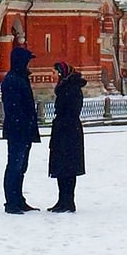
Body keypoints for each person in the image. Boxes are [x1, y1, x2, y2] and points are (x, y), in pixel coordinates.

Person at [0, 45, 42, 214]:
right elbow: (14, 108)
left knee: (21, 166)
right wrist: (23, 123)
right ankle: (11, 201)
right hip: (18, 129)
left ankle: (18, 199)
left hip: (23, 129)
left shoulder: (20, 78)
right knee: (15, 166)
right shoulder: (13, 80)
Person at [47, 61, 86, 212]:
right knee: (62, 167)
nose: (53, 75)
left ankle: (68, 201)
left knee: (67, 167)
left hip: (68, 132)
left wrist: (62, 123)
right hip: (65, 131)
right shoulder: (66, 87)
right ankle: (62, 200)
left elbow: (71, 111)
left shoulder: (71, 89)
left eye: (55, 72)